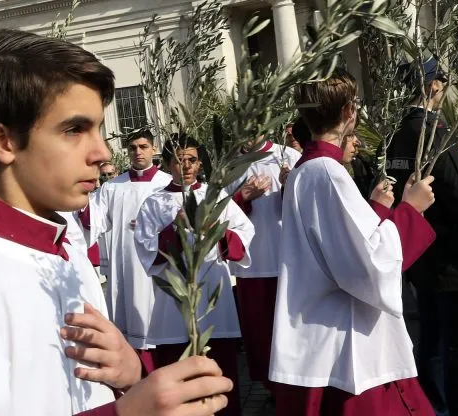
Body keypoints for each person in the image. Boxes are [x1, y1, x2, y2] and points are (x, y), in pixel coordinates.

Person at [0, 29, 234, 415]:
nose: (103, 153)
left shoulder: (64, 251)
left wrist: (130, 376)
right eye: (74, 130)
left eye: (99, 129)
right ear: (3, 142)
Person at [271, 68, 437, 415]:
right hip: (345, 343)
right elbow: (368, 267)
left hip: (323, 334)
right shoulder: (327, 174)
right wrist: (411, 211)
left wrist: (382, 209)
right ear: (349, 111)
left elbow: (346, 246)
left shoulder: (306, 170)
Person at [385, 59, 458, 416]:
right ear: (433, 86)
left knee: (431, 347)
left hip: (422, 260)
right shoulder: (435, 132)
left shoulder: (398, 135)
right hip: (456, 266)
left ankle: (431, 409)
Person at [135, 134, 254, 416]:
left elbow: (246, 236)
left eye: (192, 160)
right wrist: (175, 227)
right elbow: (146, 249)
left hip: (214, 302)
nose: (186, 166)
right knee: (179, 381)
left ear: (200, 163)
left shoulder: (216, 197)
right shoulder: (155, 203)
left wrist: (220, 231)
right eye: (178, 160)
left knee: (220, 376)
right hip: (174, 306)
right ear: (167, 164)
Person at [86, 130, 172, 356]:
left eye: (143, 146)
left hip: (159, 267)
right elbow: (92, 220)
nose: (138, 152)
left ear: (154, 149)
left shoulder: (168, 184)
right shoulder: (113, 187)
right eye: (133, 147)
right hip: (125, 267)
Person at [225, 136, 300, 395]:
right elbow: (215, 213)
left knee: (292, 335)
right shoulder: (230, 164)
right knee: (260, 338)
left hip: (288, 263)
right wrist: (242, 197)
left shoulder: (288, 156)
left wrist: (290, 185)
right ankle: (274, 392)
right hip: (251, 266)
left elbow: (308, 206)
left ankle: (295, 389)